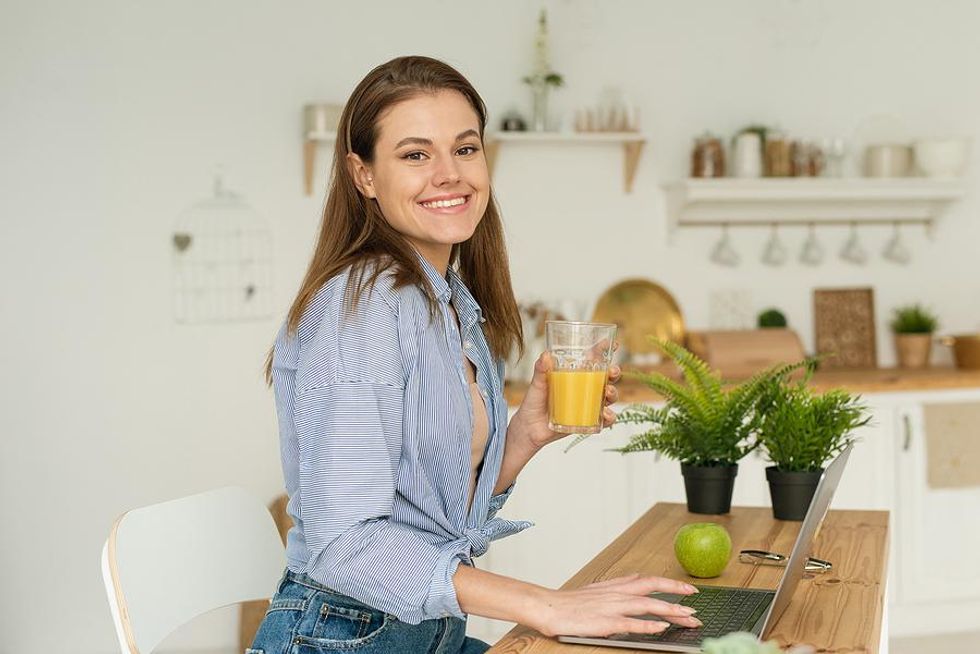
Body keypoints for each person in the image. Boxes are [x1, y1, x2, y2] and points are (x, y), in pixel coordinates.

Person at [249, 55, 702, 654]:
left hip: (423, 635)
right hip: (341, 637)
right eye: (415, 155)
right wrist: (548, 605)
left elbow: (427, 516)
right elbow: (345, 544)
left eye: (465, 149)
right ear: (363, 175)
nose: (449, 174)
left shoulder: (448, 301)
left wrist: (523, 436)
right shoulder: (360, 306)